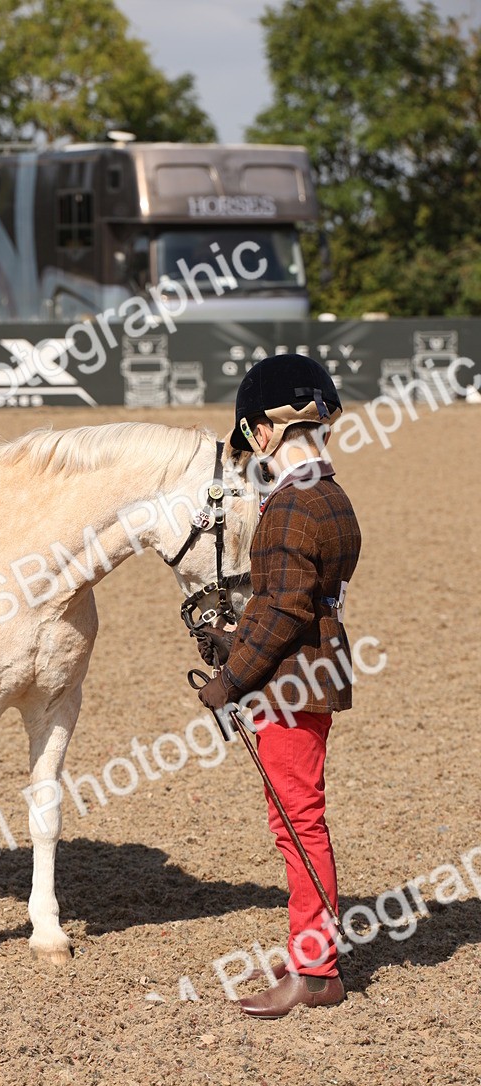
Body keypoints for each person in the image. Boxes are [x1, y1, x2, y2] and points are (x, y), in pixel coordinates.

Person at [196, 354, 362, 1019]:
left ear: (264, 430)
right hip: (311, 673)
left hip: (291, 687)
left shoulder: (291, 504)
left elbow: (286, 608)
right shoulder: (331, 494)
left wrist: (232, 677)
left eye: (251, 437)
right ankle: (309, 950)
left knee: (298, 823)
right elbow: (299, 601)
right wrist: (238, 636)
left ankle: (317, 971)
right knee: (296, 818)